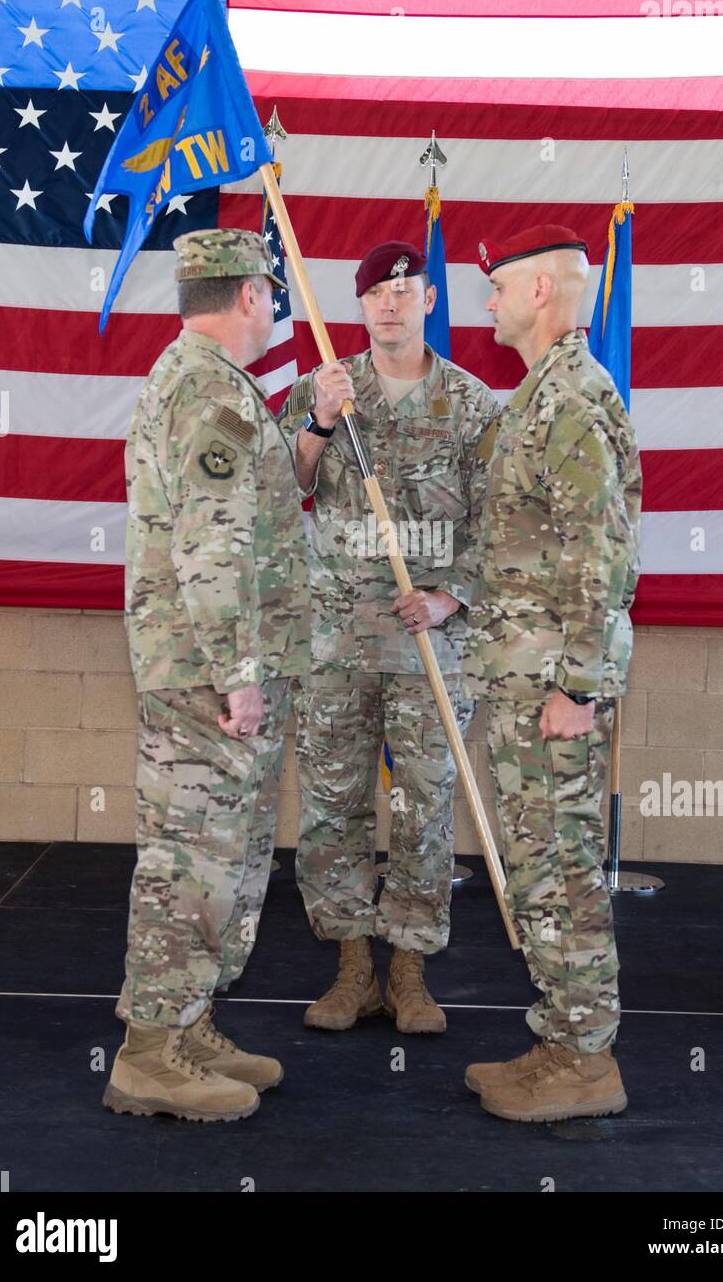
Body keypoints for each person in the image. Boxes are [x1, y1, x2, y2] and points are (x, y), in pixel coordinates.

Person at [103, 228, 310, 1123]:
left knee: (222, 856)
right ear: (250, 297)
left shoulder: (201, 381)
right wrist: (240, 672)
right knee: (189, 861)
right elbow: (211, 548)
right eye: (271, 295)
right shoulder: (208, 392)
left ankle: (188, 1023)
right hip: (205, 670)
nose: (275, 309)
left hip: (201, 664)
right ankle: (151, 1053)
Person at [279, 241, 500, 1033]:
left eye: (404, 290)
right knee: (333, 807)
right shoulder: (324, 388)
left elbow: (502, 524)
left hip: (427, 646)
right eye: (376, 291)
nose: (389, 303)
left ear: (430, 301)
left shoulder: (473, 404)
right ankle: (350, 969)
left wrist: (450, 598)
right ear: (360, 304)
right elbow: (283, 487)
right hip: (338, 635)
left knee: (421, 806)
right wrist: (319, 423)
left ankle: (408, 970)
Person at [463, 224, 642, 1122]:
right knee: (538, 871)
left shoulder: (570, 397)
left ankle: (587, 1065)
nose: (485, 301)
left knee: (562, 873)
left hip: (551, 689)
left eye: (496, 285)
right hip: (522, 679)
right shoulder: (537, 395)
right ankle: (560, 1041)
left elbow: (598, 553)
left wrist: (576, 686)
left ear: (539, 290)